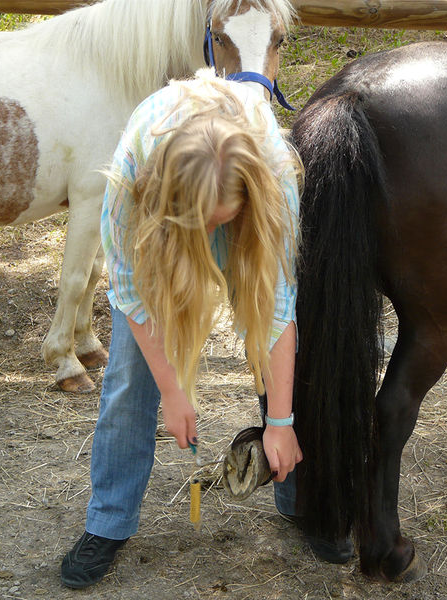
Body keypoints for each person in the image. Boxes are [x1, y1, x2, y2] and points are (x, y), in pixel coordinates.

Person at [60, 69, 304, 589]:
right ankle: (109, 521)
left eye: (222, 219)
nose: (211, 238)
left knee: (286, 372)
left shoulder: (274, 176)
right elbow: (131, 295)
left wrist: (280, 421)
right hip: (162, 233)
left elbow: (278, 311)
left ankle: (299, 495)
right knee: (129, 375)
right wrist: (172, 391)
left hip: (251, 221)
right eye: (204, 224)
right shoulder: (132, 178)